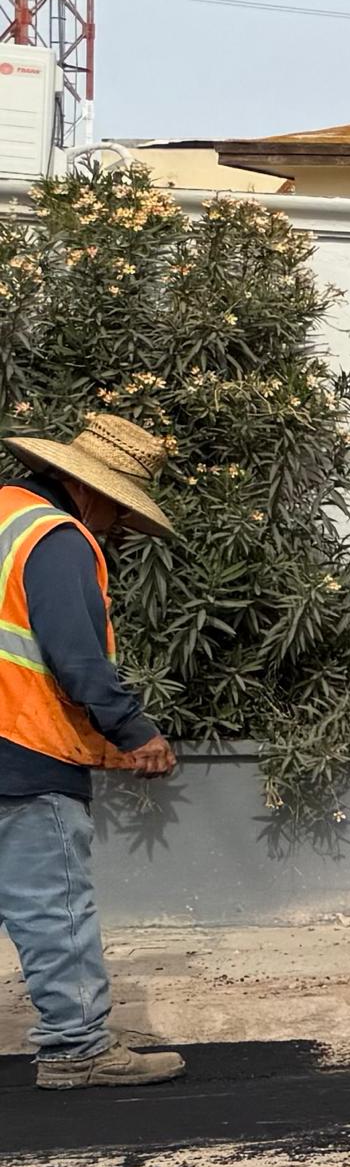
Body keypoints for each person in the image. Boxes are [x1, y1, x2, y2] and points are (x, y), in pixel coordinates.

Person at [0, 416, 182, 1090]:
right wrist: (135, 731)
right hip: (22, 746)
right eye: (119, 511)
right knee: (53, 906)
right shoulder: (55, 538)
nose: (117, 528)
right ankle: (77, 1048)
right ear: (90, 489)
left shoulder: (5, 515)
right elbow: (76, 656)